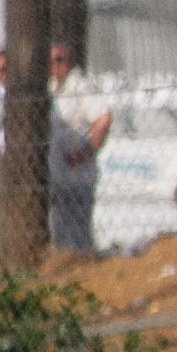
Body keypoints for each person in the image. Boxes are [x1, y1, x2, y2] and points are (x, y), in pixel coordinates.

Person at [46, 58, 109, 254]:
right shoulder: (52, 88)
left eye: (59, 60)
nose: (55, 66)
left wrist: (83, 154)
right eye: (50, 61)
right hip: (56, 178)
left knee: (77, 236)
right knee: (58, 233)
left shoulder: (80, 85)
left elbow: (103, 119)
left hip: (77, 177)